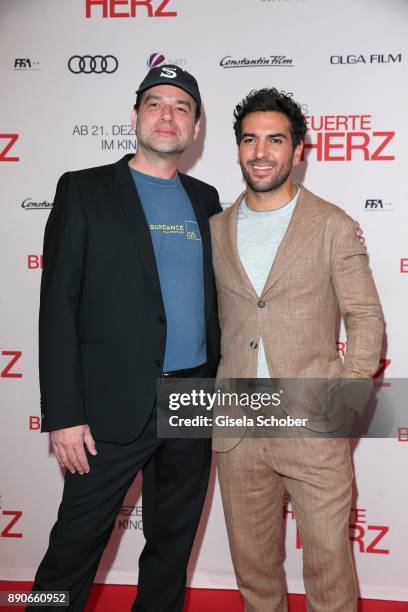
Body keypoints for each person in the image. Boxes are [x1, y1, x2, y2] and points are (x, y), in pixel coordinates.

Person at [29, 64, 221, 611]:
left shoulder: (207, 199)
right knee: (72, 551)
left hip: (192, 398)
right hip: (108, 407)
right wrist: (63, 413)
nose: (168, 115)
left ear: (196, 128)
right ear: (134, 116)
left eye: (182, 107)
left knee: (171, 547)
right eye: (156, 103)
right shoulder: (84, 189)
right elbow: (57, 307)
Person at [210, 88, 384, 611]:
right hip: (237, 429)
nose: (261, 152)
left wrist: (349, 402)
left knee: (330, 571)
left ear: (299, 150)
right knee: (255, 576)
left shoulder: (332, 224)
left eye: (275, 140)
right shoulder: (216, 229)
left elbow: (366, 318)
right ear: (238, 149)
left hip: (313, 426)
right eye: (250, 140)